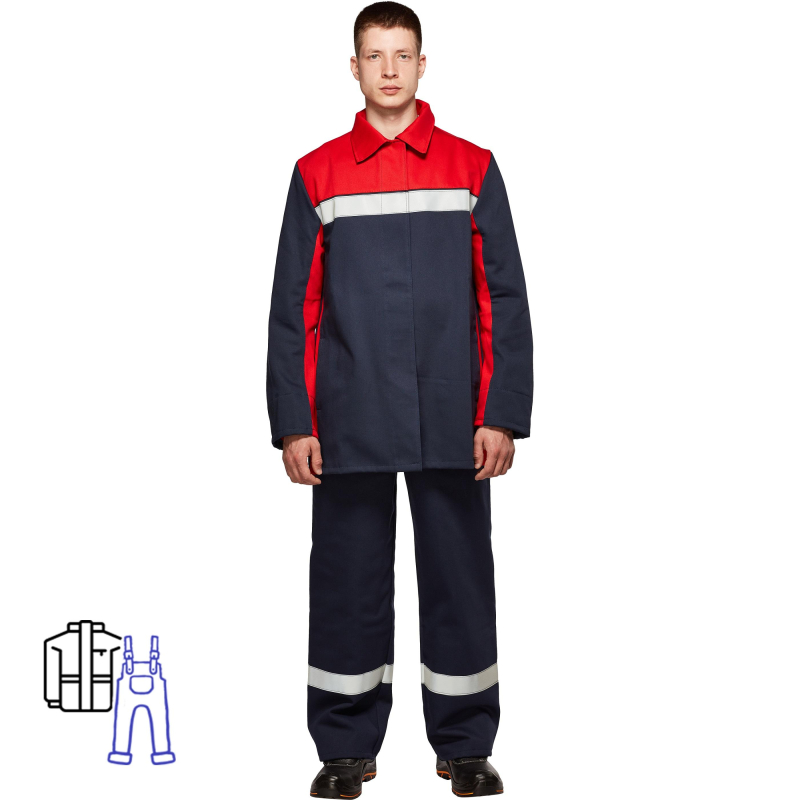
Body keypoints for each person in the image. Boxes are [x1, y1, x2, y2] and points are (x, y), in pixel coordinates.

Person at [266, 2, 533, 796]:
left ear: (422, 64)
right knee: (346, 585)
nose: (389, 68)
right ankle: (345, 749)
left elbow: (503, 297)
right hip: (348, 415)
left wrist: (501, 411)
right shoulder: (317, 173)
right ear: (354, 68)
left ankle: (466, 745)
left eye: (403, 54)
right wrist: (294, 423)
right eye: (375, 55)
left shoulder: (473, 167)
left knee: (460, 581)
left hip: (455, 413)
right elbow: (293, 309)